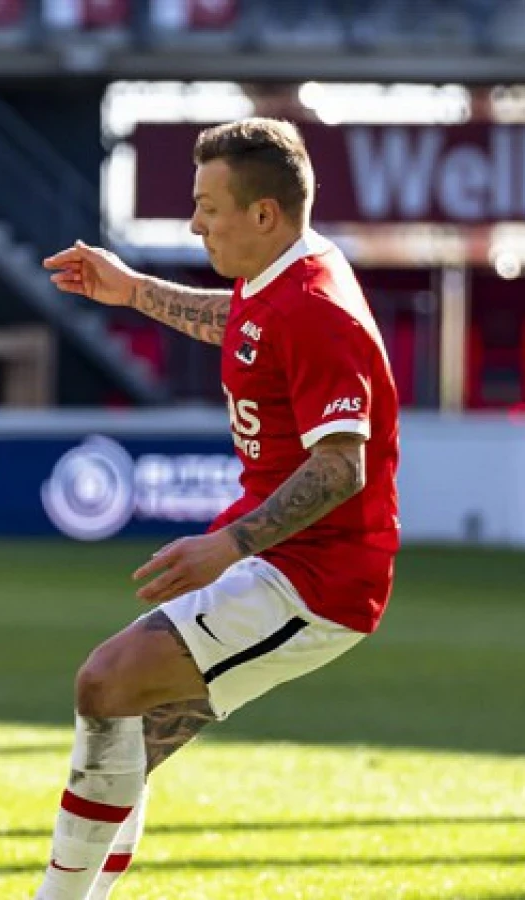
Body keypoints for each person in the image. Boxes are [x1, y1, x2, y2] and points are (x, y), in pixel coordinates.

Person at [32, 117, 400, 899]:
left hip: (317, 578)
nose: (194, 221)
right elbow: (240, 325)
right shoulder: (279, 283)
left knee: (105, 684)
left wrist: (231, 544)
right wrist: (132, 290)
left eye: (206, 205)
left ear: (263, 215)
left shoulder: (319, 307)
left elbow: (341, 466)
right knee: (123, 723)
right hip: (277, 557)